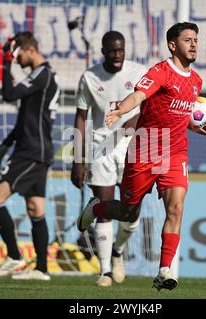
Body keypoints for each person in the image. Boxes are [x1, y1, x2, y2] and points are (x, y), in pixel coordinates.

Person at [76, 22, 206, 290]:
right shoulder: (160, 72)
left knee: (176, 208)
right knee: (129, 213)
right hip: (146, 149)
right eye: (188, 39)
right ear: (172, 45)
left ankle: (164, 270)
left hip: (175, 153)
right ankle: (96, 207)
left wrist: (199, 125)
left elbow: (179, 114)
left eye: (196, 39)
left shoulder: (196, 81)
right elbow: (139, 95)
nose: (194, 44)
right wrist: (120, 110)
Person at [71, 31, 147, 287]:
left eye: (121, 50)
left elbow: (147, 108)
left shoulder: (138, 73)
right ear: (103, 51)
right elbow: (81, 117)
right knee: (104, 207)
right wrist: (78, 160)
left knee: (132, 212)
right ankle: (104, 271)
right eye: (112, 51)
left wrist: (129, 124)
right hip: (100, 146)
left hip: (131, 146)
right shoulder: (90, 77)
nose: (117, 55)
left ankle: (118, 251)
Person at [0, 31, 59, 281]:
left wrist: (5, 61)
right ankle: (41, 269)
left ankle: (15, 256)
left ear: (29, 49)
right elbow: (24, 120)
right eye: (12, 57)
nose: (15, 60)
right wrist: (5, 145)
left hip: (32, 152)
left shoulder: (43, 75)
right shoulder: (38, 77)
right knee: (35, 208)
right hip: (34, 149)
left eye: (17, 55)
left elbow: (8, 94)